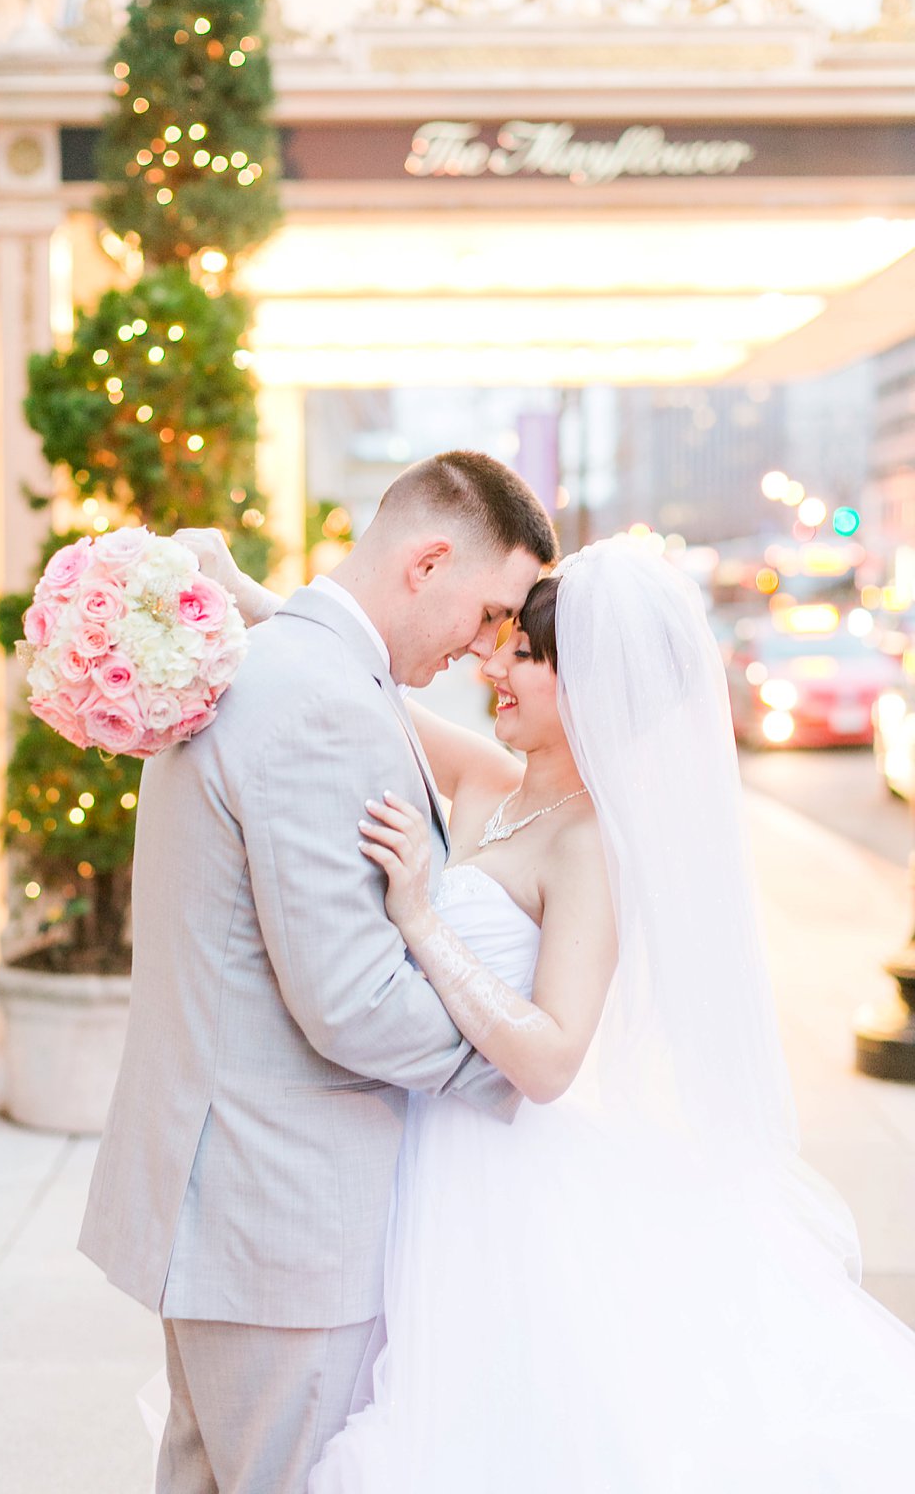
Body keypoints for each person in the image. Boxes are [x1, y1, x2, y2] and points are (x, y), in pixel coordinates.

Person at [201, 534, 915, 1491]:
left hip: (497, 1174)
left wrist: (420, 915)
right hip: (419, 1151)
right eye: (501, 646)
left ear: (592, 686)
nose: (493, 667)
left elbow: (549, 1060)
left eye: (525, 656)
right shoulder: (499, 785)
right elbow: (369, 697)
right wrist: (249, 597)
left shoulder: (590, 849)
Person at [77, 452, 555, 1494]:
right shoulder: (320, 701)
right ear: (427, 559)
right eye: (485, 613)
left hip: (232, 1204)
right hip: (279, 1220)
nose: (484, 648)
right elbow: (352, 1003)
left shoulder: (288, 666)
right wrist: (521, 1075)